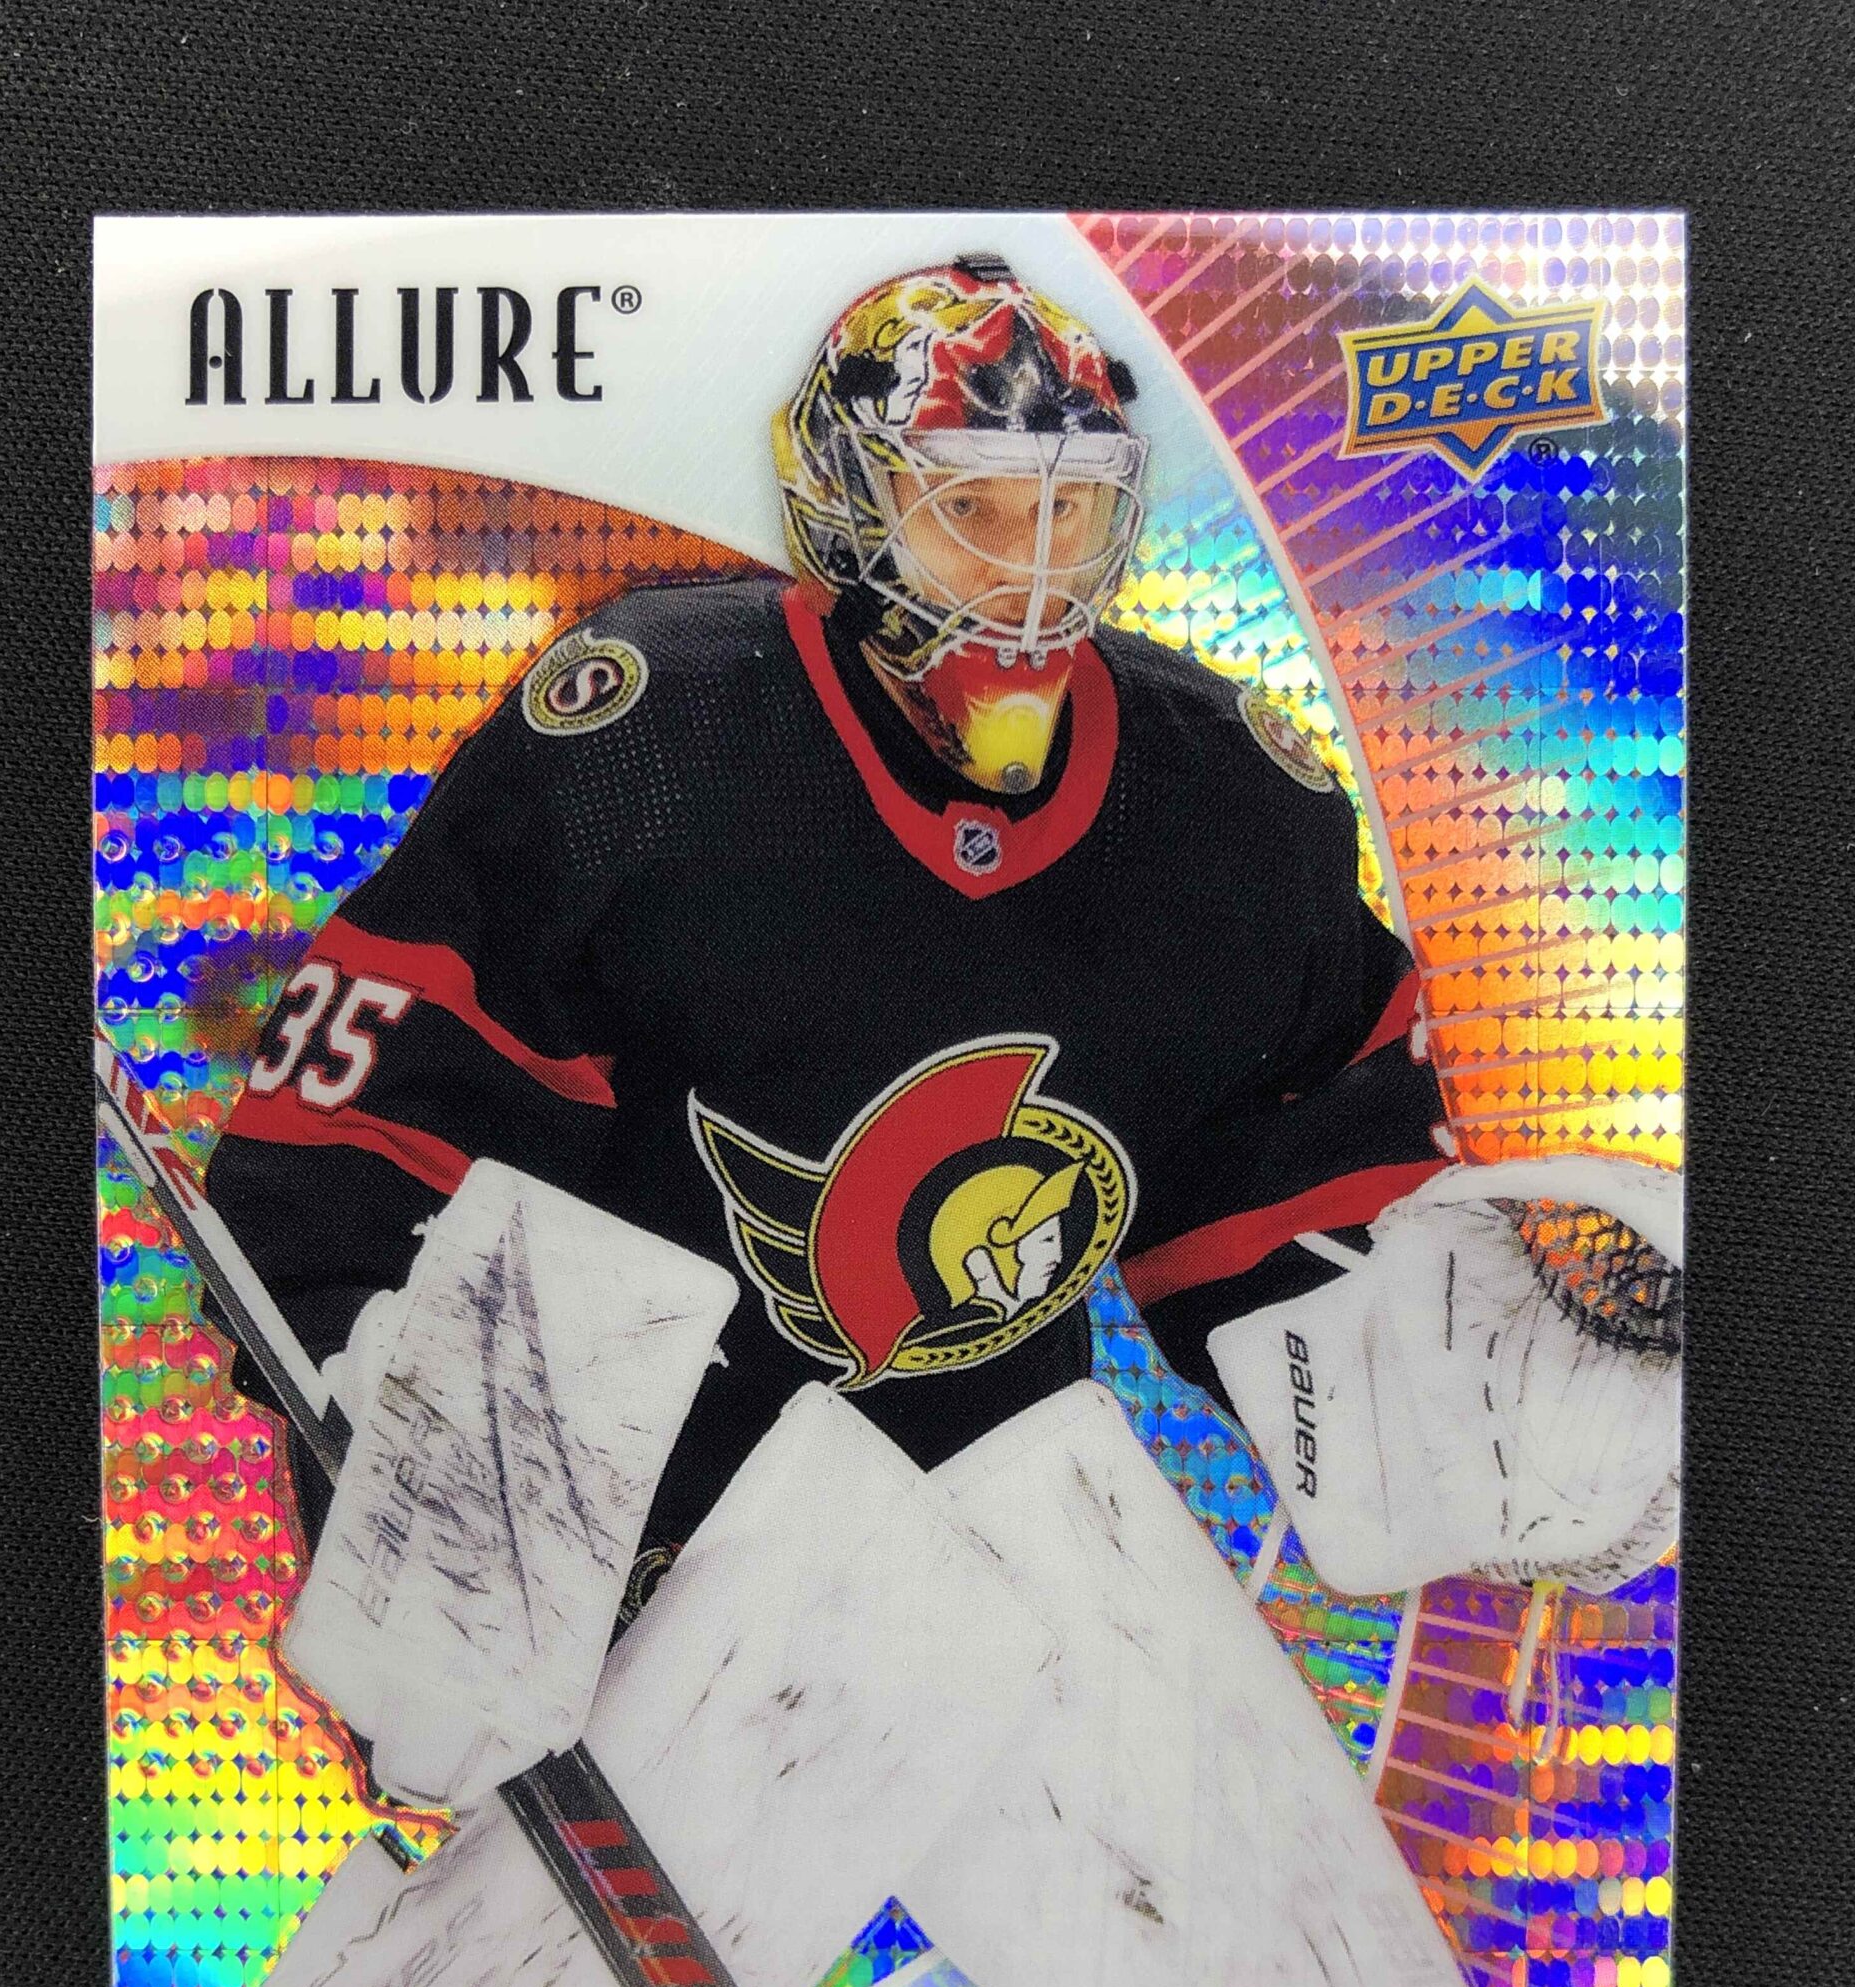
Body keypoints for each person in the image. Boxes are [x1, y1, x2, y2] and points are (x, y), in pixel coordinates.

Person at [206, 252, 1457, 1561]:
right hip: (613, 1528)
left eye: (1069, 511)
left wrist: (1449, 1398)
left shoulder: (1223, 796)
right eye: (971, 507)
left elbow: (1297, 1176)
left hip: (977, 1543)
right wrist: (371, 1356)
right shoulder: (651, 738)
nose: (1031, 573)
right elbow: (377, 1119)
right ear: (849, 508)